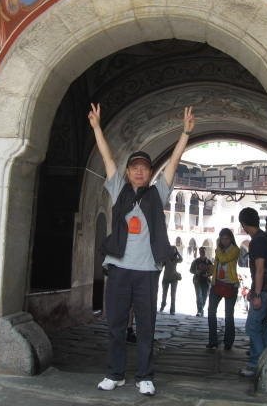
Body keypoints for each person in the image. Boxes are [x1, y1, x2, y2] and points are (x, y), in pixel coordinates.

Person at [88, 103, 195, 397]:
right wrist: (97, 127)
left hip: (147, 271)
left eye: (144, 168)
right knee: (116, 326)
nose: (138, 171)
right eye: (134, 167)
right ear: (128, 172)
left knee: (146, 327)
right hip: (119, 268)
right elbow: (107, 157)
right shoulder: (118, 190)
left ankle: (145, 376)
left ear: (149, 174)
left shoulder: (157, 194)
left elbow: (172, 164)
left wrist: (185, 133)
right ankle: (115, 374)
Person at [238, 207, 267, 378]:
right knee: (260, 327)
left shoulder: (258, 241)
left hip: (264, 291)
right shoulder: (263, 238)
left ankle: (255, 364)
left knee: (252, 327)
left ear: (244, 224)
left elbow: (260, 269)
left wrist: (257, 295)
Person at [206, 228, 240, 350]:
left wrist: (217, 248)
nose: (224, 241)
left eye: (226, 238)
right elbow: (217, 264)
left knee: (229, 315)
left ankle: (228, 341)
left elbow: (224, 259)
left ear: (231, 239)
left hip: (230, 284)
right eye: (222, 239)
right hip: (217, 284)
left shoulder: (235, 250)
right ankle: (212, 340)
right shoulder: (219, 251)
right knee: (211, 312)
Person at [190, 246, 212, 317]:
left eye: (203, 251)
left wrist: (208, 274)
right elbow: (191, 270)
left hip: (206, 281)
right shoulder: (196, 261)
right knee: (199, 295)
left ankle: (201, 309)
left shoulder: (209, 262)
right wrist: (196, 272)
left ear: (205, 252)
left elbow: (212, 271)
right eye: (201, 251)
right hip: (197, 280)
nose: (202, 252)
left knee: (204, 296)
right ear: (199, 252)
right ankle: (199, 310)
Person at [159, 246, 183, 315]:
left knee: (173, 295)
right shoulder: (166, 259)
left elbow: (181, 260)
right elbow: (161, 266)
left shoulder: (176, 259)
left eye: (174, 250)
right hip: (166, 278)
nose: (172, 251)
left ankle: (172, 310)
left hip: (174, 278)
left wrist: (178, 253)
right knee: (164, 294)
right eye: (171, 250)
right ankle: (163, 305)